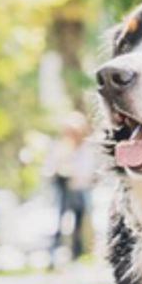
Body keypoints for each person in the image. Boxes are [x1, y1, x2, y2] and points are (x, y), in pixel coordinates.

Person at [45, 112, 101, 266]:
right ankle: (54, 256)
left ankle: (79, 254)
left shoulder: (87, 148)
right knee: (59, 223)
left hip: (81, 190)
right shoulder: (61, 147)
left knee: (81, 223)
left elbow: (87, 172)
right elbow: (51, 167)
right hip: (64, 189)